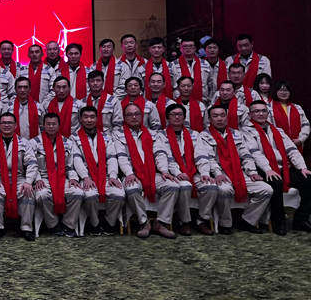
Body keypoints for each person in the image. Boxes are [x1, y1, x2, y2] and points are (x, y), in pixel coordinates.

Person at [200, 105, 273, 233]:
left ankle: (247, 221)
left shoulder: (236, 134)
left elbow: (246, 155)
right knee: (224, 190)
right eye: (215, 116)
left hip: (238, 171)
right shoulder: (204, 135)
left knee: (266, 190)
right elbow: (208, 158)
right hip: (219, 172)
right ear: (210, 119)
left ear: (227, 117)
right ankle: (225, 224)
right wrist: (217, 173)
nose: (219, 119)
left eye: (222, 115)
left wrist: (252, 172)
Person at [113, 102, 181, 239]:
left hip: (152, 173)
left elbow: (160, 153)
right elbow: (121, 157)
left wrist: (164, 171)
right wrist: (129, 173)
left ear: (142, 116)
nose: (134, 117)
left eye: (137, 114)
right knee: (132, 189)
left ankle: (161, 223)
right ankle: (144, 223)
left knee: (172, 186)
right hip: (132, 173)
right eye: (129, 115)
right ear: (124, 117)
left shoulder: (153, 133)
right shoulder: (118, 134)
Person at [159, 104, 227, 235]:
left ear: (184, 117)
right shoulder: (161, 135)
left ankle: (201, 219)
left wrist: (205, 173)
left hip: (193, 171)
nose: (177, 117)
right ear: (167, 118)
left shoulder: (194, 134)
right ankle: (184, 222)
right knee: (185, 186)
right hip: (174, 173)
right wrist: (178, 173)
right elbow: (166, 157)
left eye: (180, 114)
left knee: (211, 186)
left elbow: (201, 155)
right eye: (173, 114)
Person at [243, 101, 311, 234]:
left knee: (308, 179)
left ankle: (300, 220)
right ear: (250, 114)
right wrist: (268, 169)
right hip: (262, 169)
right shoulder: (246, 131)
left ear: (267, 113)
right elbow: (255, 153)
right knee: (276, 182)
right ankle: (278, 222)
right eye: (256, 111)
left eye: (263, 111)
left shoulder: (277, 130)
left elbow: (291, 149)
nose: (260, 114)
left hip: (282, 167)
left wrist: (302, 167)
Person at [68, 106, 125, 235]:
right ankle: (95, 224)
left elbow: (112, 157)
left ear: (97, 119)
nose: (89, 120)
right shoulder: (74, 138)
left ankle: (109, 223)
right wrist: (85, 177)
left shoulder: (106, 137)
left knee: (119, 194)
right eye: (86, 117)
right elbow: (76, 159)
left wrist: (113, 176)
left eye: (92, 117)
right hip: (86, 177)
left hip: (105, 176)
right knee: (90, 195)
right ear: (80, 119)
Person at [0, 112, 39, 240]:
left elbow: (32, 163)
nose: (7, 125)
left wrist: (28, 181)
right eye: (4, 123)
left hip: (19, 177)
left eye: (10, 123)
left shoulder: (24, 143)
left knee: (28, 192)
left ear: (15, 125)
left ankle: (26, 228)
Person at [28, 112, 80, 236]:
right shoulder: (34, 142)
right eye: (48, 124)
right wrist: (37, 179)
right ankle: (53, 225)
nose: (51, 127)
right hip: (43, 177)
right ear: (43, 125)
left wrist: (73, 178)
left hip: (62, 177)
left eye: (54, 124)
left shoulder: (68, 142)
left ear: (59, 125)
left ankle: (68, 225)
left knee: (78, 193)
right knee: (42, 195)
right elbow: (31, 165)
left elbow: (71, 165)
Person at [170, 39, 212, 104]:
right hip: (179, 103)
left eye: (191, 46)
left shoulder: (205, 63)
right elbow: (170, 85)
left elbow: (210, 84)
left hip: (202, 102)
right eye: (185, 46)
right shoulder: (173, 65)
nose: (188, 48)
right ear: (180, 48)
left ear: (195, 48)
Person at [272, 80, 310, 152]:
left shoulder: (297, 107)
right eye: (281, 90)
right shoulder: (269, 108)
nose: (283, 93)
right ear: (276, 92)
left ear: (290, 92)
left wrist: (300, 139)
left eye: (286, 90)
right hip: (277, 146)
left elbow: (305, 125)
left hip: (296, 144)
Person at [113, 34, 145, 99]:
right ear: (122, 46)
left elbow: (146, 86)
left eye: (131, 42)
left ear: (136, 45)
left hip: (140, 98)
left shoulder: (145, 62)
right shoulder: (116, 64)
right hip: (121, 99)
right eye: (126, 43)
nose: (129, 45)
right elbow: (114, 87)